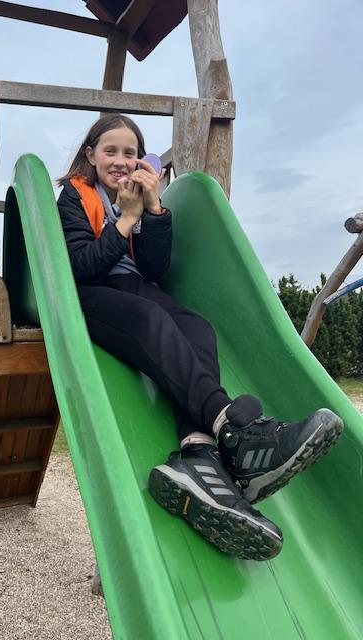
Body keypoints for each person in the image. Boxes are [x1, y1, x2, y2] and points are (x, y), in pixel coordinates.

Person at [56, 114, 343, 561]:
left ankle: (199, 453)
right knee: (150, 319)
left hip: (134, 287)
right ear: (90, 155)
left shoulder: (139, 199)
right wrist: (126, 219)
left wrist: (153, 212)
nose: (120, 161)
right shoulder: (75, 196)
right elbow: (82, 266)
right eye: (110, 151)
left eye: (130, 153)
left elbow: (154, 269)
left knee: (197, 329)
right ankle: (236, 433)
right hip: (86, 296)